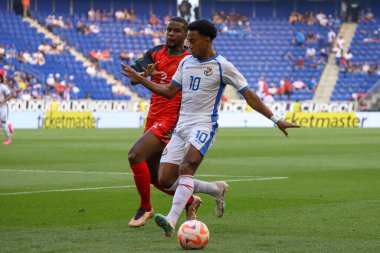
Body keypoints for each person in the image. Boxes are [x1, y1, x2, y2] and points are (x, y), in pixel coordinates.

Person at [121, 20, 300, 237]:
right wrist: (142, 80)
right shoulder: (186, 64)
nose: (189, 45)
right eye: (188, 40)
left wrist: (275, 119)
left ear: (207, 40)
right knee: (166, 179)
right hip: (182, 126)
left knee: (186, 167)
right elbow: (168, 91)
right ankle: (215, 189)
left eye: (192, 40)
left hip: (204, 124)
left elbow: (249, 95)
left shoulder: (222, 65)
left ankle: (171, 220)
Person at [123, 17, 202, 228]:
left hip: (171, 119)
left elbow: (175, 92)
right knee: (153, 174)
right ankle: (189, 201)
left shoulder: (189, 59)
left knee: (135, 155)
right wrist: (143, 74)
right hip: (153, 117)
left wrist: (144, 79)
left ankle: (145, 208)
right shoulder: (155, 52)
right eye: (169, 30)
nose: (170, 34)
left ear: (185, 36)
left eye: (176, 31)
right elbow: (132, 76)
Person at [0, 69, 14, 145]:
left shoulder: (3, 87)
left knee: (3, 123)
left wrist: (3, 101)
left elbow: (10, 96)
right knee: (2, 124)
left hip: (3, 107)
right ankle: (9, 126)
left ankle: (8, 139)